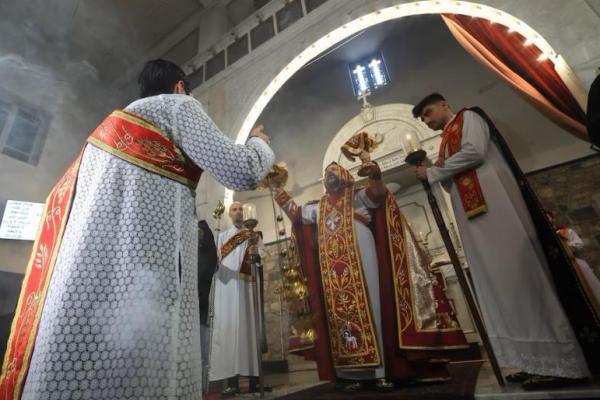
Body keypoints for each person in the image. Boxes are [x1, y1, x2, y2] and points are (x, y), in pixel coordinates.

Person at [0, 59, 275, 400]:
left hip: (85, 290)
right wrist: (258, 142)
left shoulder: (101, 136)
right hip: (149, 282)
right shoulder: (178, 106)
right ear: (179, 87)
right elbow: (243, 170)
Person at [412, 93, 598, 389]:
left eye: (428, 112)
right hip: (477, 222)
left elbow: (474, 151)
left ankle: (561, 365)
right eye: (423, 118)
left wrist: (433, 172)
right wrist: (437, 173)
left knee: (523, 279)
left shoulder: (469, 117)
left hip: (498, 210)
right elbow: (450, 182)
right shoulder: (447, 140)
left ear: (445, 103)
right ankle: (531, 361)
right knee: (504, 288)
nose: (427, 119)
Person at [271, 156, 468, 393]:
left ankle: (381, 372)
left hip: (362, 255)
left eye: (335, 170)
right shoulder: (319, 206)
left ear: (346, 175)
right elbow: (295, 213)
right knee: (339, 317)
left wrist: (374, 172)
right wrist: (276, 188)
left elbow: (379, 194)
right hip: (331, 268)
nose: (331, 174)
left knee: (372, 307)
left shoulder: (358, 196)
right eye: (328, 172)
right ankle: (353, 374)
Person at [209, 201, 267, 396]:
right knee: (229, 333)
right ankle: (231, 382)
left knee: (250, 330)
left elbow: (263, 254)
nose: (238, 212)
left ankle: (254, 380)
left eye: (240, 209)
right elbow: (215, 261)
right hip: (227, 288)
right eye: (234, 209)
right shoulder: (222, 237)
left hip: (247, 286)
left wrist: (258, 258)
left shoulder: (253, 235)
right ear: (229, 214)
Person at [547, 212, 600, 315]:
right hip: (559, 269)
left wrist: (566, 247)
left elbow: (579, 244)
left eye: (548, 217)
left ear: (552, 219)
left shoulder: (565, 232)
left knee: (589, 288)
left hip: (575, 263)